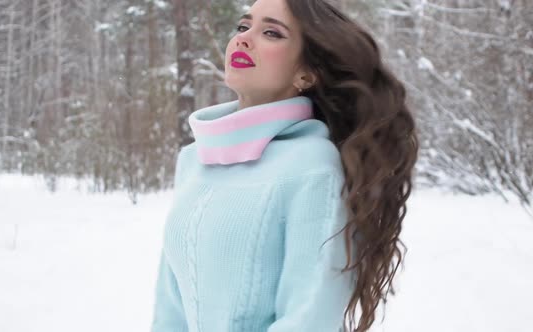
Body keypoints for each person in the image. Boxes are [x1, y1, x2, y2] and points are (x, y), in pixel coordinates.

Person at [150, 0, 418, 331]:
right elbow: (170, 309)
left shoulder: (313, 168)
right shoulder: (193, 160)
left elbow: (309, 317)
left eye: (271, 33)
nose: (244, 38)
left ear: (306, 73)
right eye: (243, 26)